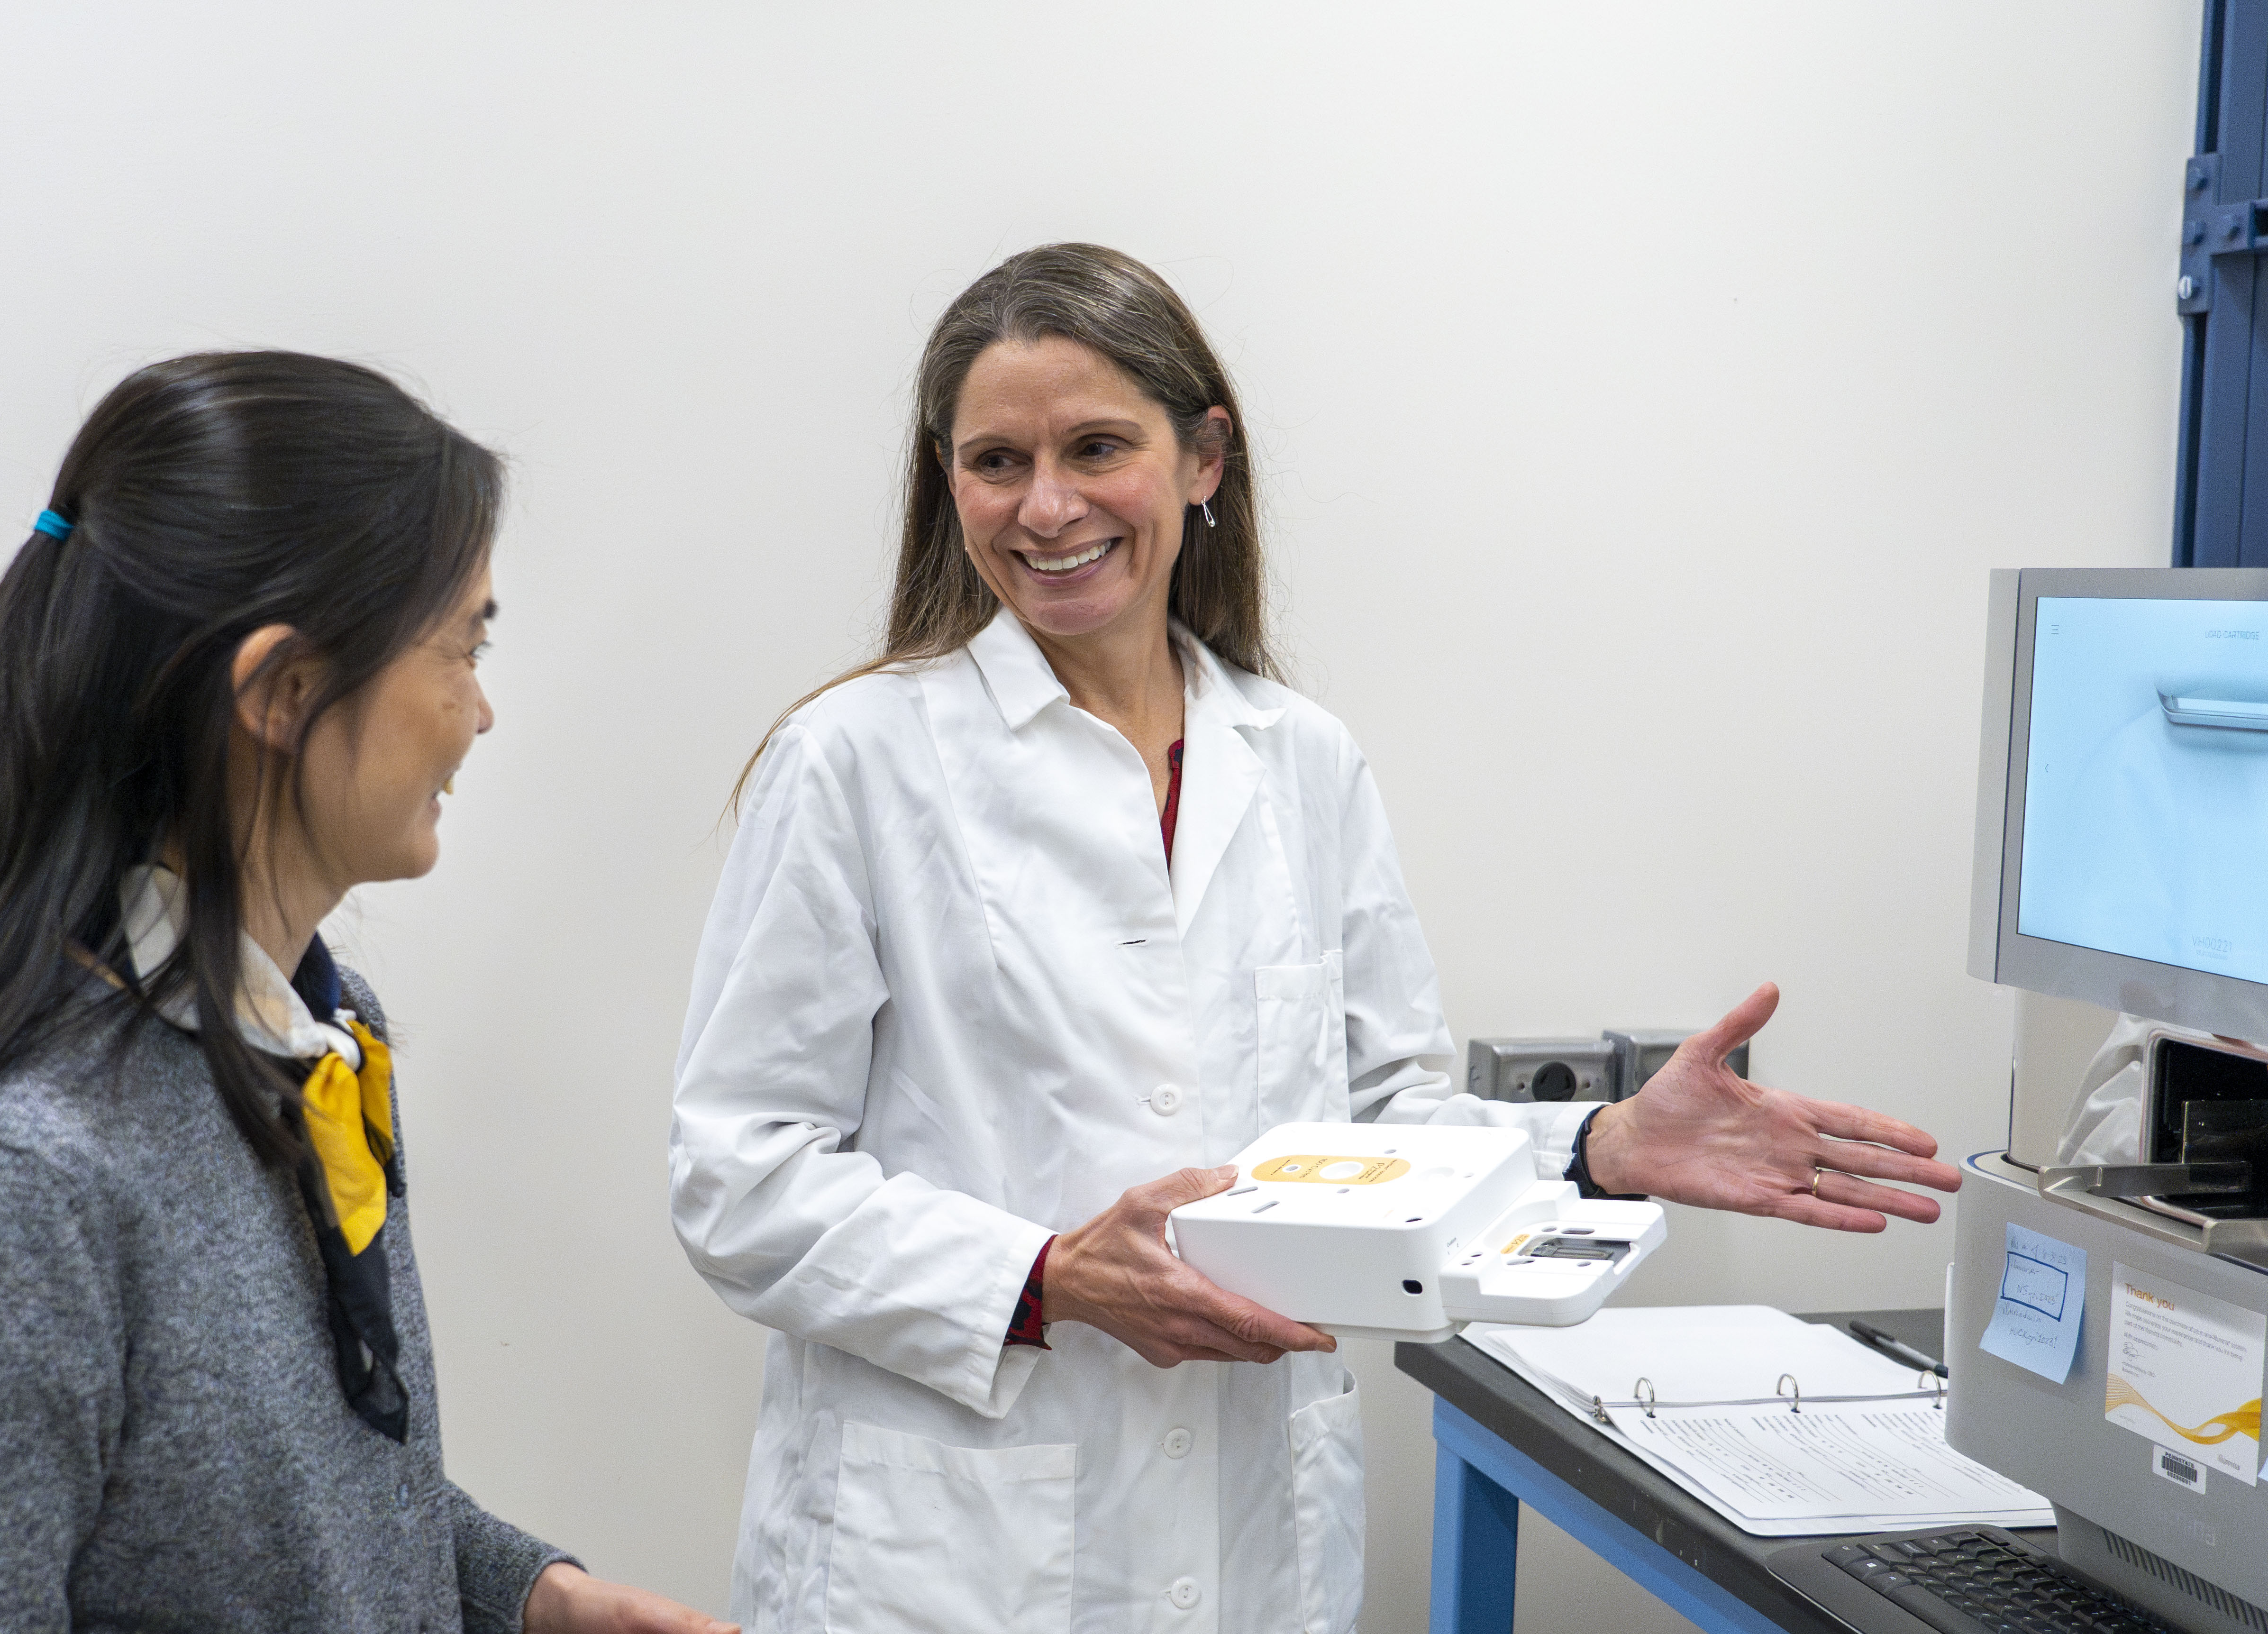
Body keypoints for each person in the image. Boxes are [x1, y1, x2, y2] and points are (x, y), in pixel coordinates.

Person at [669, 244, 1965, 1632]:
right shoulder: (855, 761)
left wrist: (1593, 1152)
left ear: (1201, 459)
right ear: (949, 485)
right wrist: (1048, 1282)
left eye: (1096, 446)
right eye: (996, 462)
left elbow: (1376, 1125)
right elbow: (738, 1179)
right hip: (948, 1558)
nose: (1045, 507)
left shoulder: (1300, 762)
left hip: (1249, 1530)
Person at [0, 353, 732, 1634]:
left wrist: (537, 1598)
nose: (479, 712)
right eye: (460, 647)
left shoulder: (320, 1035)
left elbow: (309, 1504)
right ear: (286, 692)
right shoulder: (20, 1198)